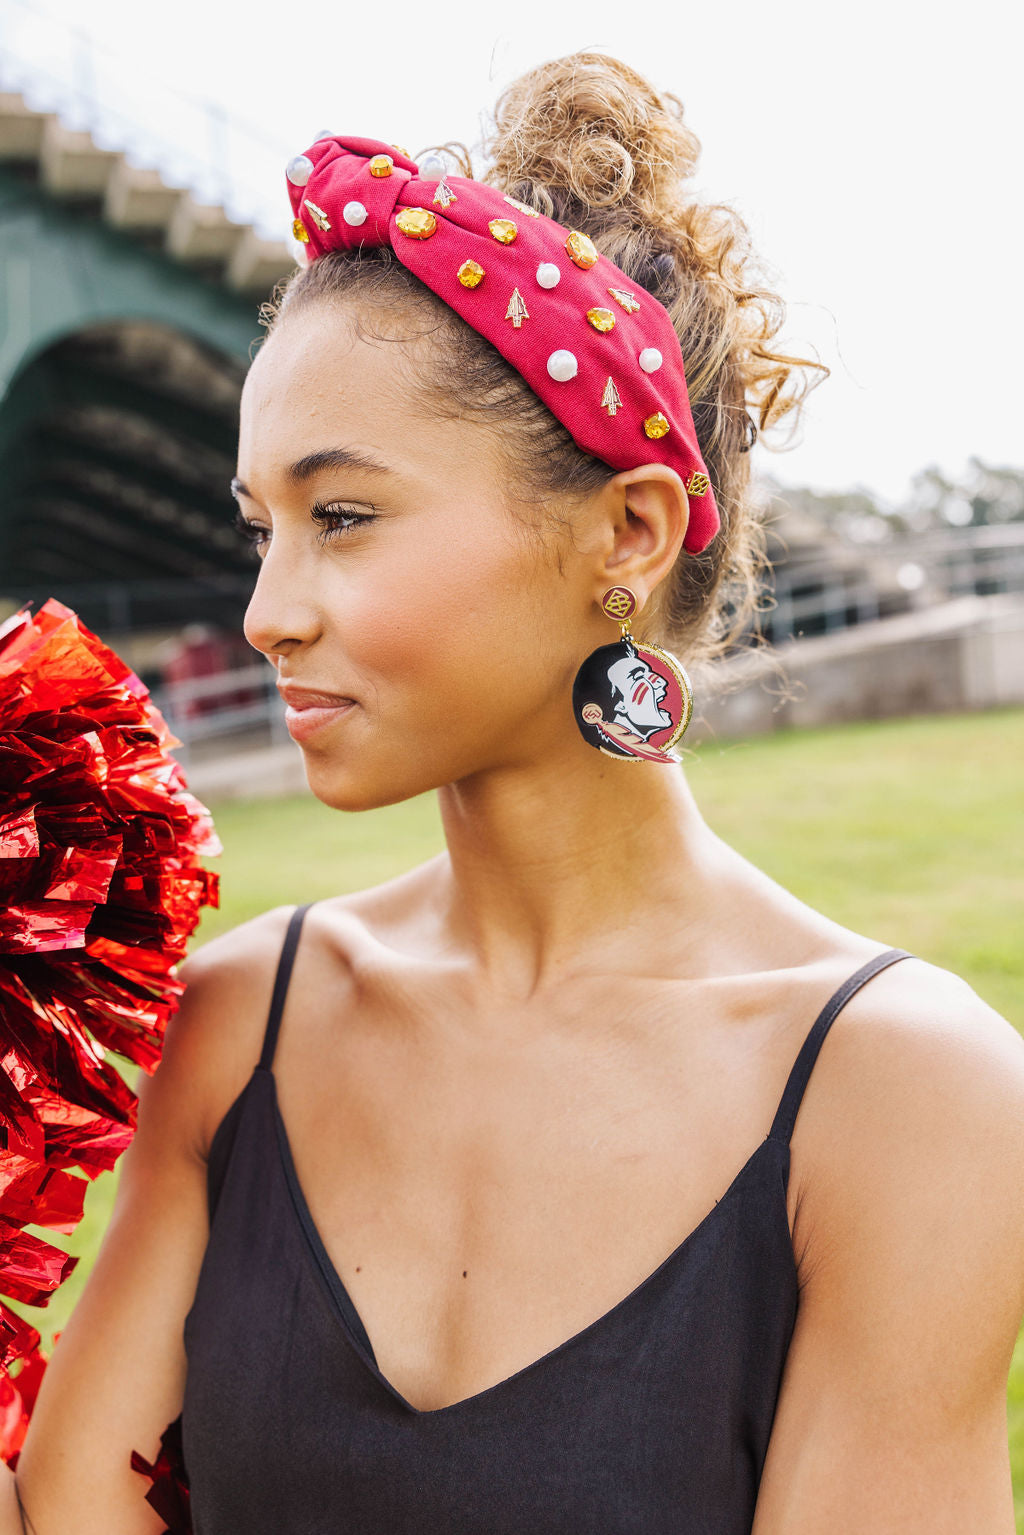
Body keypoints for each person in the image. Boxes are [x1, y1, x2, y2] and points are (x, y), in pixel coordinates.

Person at [8, 51, 1024, 1535]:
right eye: (262, 527)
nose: (268, 612)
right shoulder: (234, 1026)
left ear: (629, 527)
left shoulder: (906, 1097)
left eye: (343, 517)